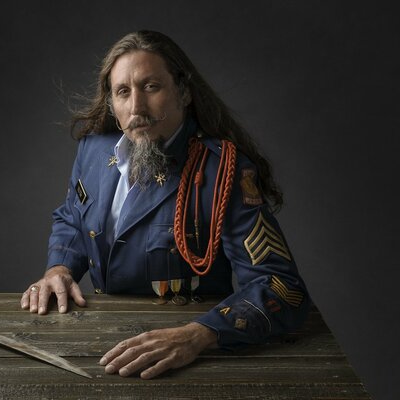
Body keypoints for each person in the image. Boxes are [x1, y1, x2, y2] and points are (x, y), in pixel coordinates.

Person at [21, 30, 310, 379]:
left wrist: (200, 335)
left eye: (151, 87)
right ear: (112, 103)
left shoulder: (223, 172)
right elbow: (72, 217)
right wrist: (59, 270)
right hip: (99, 345)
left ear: (184, 92)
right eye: (123, 92)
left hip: (185, 354)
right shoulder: (94, 149)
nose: (137, 107)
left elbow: (282, 287)